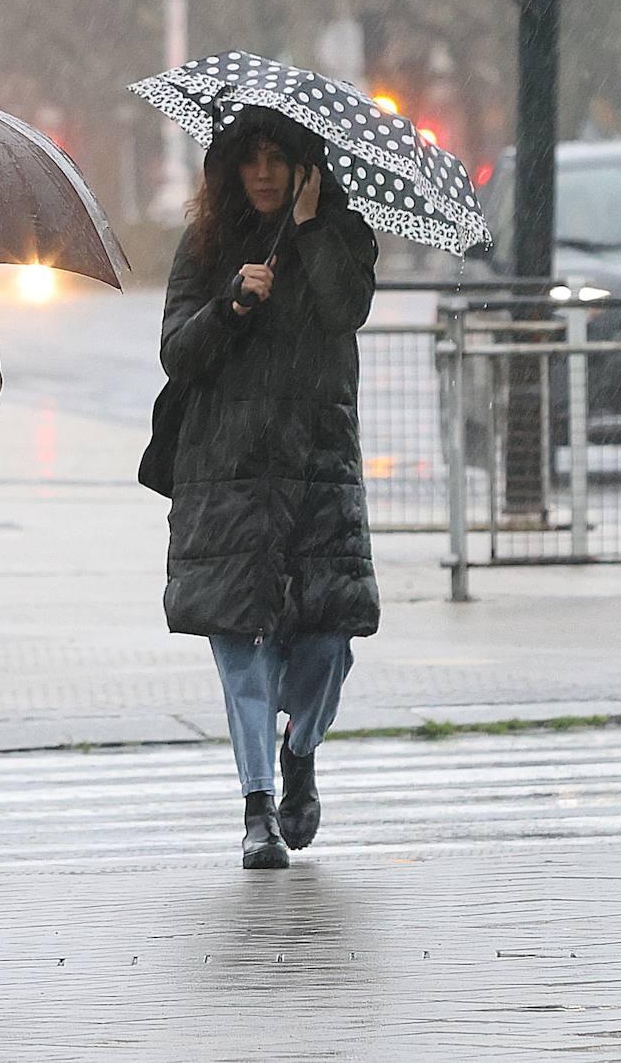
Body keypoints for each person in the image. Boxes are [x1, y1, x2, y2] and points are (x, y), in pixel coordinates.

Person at [145, 106, 380, 870]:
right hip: (230, 474)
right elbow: (178, 351)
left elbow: (347, 309)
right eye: (253, 157)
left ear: (309, 167)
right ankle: (257, 809)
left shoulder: (343, 239)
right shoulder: (209, 244)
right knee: (241, 644)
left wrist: (311, 231)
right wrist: (231, 306)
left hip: (315, 471)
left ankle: (300, 751)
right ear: (231, 167)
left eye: (282, 158)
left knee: (327, 641)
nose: (265, 172)